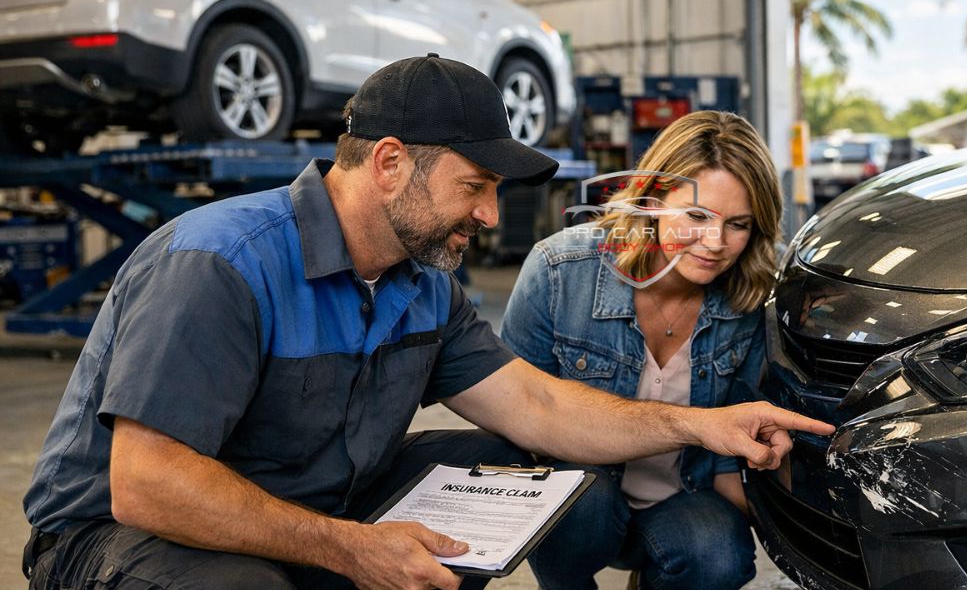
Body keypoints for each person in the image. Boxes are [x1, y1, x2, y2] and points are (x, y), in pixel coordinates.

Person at [21, 55, 833, 590]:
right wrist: (351, 548)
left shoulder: (423, 285)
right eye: (475, 186)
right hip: (116, 539)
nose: (487, 214)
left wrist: (706, 425)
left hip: (308, 502)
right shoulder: (222, 262)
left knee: (499, 463)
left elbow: (542, 407)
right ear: (389, 164)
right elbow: (147, 484)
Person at [501, 111, 783, 590]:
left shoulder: (748, 299)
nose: (714, 244)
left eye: (738, 224)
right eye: (697, 216)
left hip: (681, 496)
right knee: (576, 499)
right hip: (580, 505)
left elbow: (728, 449)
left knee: (719, 554)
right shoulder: (559, 271)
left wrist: (774, 511)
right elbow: (510, 419)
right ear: (652, 200)